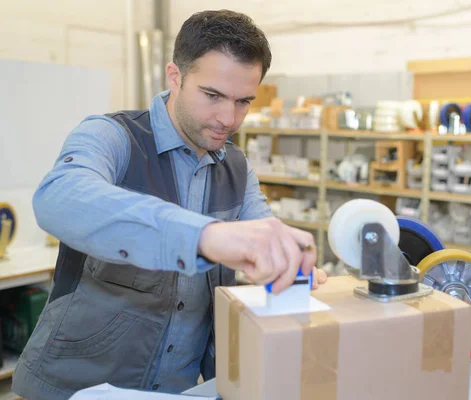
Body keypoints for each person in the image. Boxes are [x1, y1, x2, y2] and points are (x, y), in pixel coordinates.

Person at [12, 10, 326, 400]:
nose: (228, 119)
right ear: (175, 76)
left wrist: (289, 259)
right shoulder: (113, 136)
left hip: (178, 392)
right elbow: (58, 197)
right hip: (72, 388)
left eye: (244, 101)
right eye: (213, 96)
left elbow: (265, 233)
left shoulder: (237, 168)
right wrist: (204, 236)